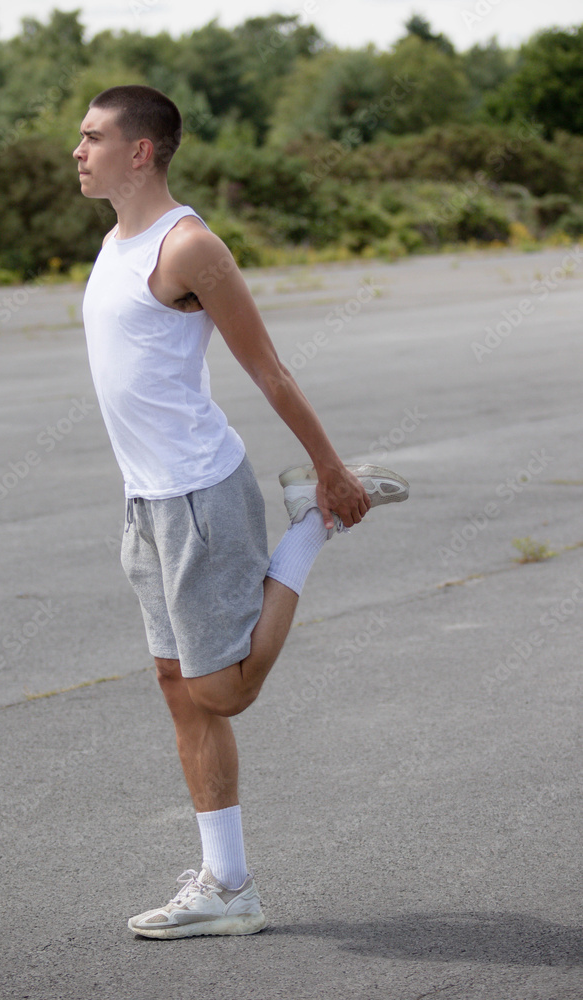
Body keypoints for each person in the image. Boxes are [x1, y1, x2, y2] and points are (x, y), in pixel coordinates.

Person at [73, 85, 408, 940]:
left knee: (224, 690)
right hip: (145, 502)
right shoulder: (114, 242)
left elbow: (268, 369)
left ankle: (309, 523)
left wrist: (332, 473)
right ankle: (228, 887)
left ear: (140, 150)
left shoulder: (190, 247)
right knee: (177, 689)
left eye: (93, 137)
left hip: (200, 493)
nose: (77, 151)